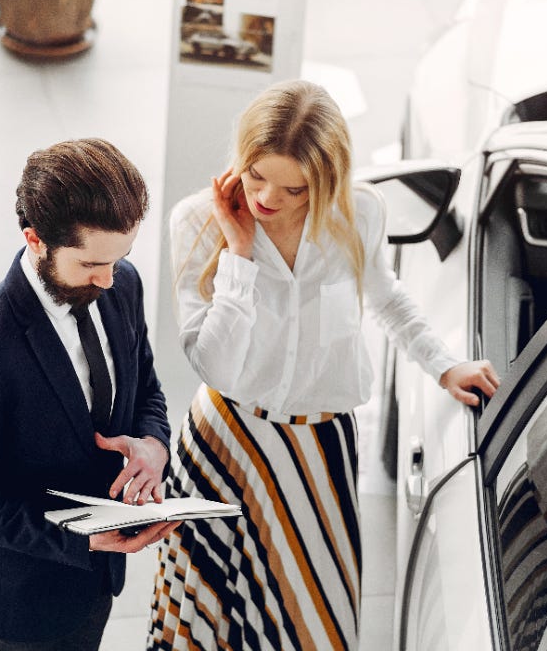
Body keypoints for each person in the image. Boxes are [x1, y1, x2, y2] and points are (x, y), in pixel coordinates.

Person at [148, 80, 500, 650]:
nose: (266, 198)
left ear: (324, 179)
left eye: (293, 188)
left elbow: (383, 295)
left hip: (319, 450)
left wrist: (442, 364)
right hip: (227, 441)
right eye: (257, 174)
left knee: (314, 626)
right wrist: (239, 253)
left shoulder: (358, 212)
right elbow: (211, 364)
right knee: (209, 627)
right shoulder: (197, 222)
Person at [0, 138, 178, 650]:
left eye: (121, 257)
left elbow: (147, 387)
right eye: (90, 265)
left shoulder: (121, 284)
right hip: (19, 604)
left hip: (92, 583)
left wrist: (153, 445)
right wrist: (78, 537)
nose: (108, 279)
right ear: (36, 239)